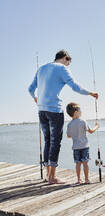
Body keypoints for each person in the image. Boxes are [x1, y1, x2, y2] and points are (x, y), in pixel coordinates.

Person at [28, 50, 98, 184]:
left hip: (41, 111)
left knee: (47, 140)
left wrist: (35, 99)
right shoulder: (62, 68)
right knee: (55, 142)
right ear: (65, 58)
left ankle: (47, 175)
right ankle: (52, 178)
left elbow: (30, 89)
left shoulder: (41, 68)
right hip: (54, 111)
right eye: (68, 63)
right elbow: (75, 87)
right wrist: (90, 93)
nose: (67, 66)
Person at [66, 102, 99, 184]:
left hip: (75, 147)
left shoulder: (69, 124)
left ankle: (78, 179)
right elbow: (91, 131)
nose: (81, 112)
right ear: (76, 112)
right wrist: (97, 126)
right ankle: (87, 179)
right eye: (80, 110)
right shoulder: (83, 121)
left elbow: (68, 136)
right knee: (85, 163)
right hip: (84, 146)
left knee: (77, 164)